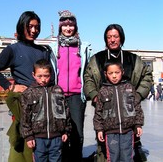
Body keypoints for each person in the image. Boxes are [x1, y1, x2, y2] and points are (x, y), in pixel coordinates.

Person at [0, 11, 55, 162]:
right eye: (29, 26)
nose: (33, 31)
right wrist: (10, 87)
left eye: (36, 27)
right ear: (21, 26)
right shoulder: (13, 49)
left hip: (43, 105)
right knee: (22, 143)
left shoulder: (43, 51)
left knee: (41, 143)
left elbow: (50, 76)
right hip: (23, 104)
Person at [84, 24, 152, 162]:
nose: (112, 40)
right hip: (106, 113)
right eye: (109, 37)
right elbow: (88, 78)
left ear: (121, 38)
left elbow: (147, 76)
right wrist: (94, 95)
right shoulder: (97, 59)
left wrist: (138, 95)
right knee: (106, 148)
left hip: (128, 114)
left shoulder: (133, 59)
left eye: (115, 36)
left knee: (128, 147)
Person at [50, 10, 92, 162]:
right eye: (65, 25)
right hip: (58, 96)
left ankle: (76, 158)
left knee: (77, 131)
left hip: (76, 96)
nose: (68, 28)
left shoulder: (83, 48)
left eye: (71, 25)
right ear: (60, 27)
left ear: (76, 27)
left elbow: (89, 71)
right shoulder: (53, 49)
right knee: (59, 130)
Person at [20, 59, 71, 162]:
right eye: (40, 76)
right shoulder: (28, 93)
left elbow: (65, 111)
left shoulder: (57, 90)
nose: (43, 79)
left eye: (46, 76)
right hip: (38, 138)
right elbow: (25, 117)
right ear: (33, 75)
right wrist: (29, 136)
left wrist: (66, 130)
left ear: (51, 74)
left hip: (57, 136)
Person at [94, 60, 144, 162]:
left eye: (117, 72)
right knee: (113, 156)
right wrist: (99, 129)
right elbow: (98, 111)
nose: (114, 76)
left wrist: (138, 124)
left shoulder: (129, 88)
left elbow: (137, 106)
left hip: (128, 130)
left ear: (122, 72)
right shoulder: (103, 91)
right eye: (110, 73)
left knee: (127, 156)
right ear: (105, 74)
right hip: (111, 132)